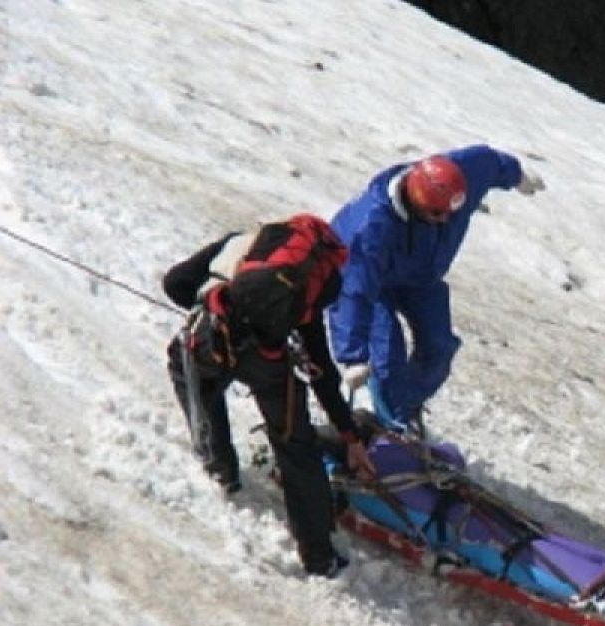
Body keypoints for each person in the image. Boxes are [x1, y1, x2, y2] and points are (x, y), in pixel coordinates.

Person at [163, 213, 375, 578]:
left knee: (187, 370)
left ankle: (221, 469)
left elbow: (175, 283)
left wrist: (208, 306)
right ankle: (320, 555)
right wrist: (349, 434)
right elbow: (320, 366)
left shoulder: (237, 244)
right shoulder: (315, 281)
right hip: (271, 361)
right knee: (296, 445)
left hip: (212, 341)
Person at [328, 144, 543, 431]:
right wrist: (352, 355)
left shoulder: (458, 178)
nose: (445, 221)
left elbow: (487, 162)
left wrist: (516, 175)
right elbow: (354, 291)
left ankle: (403, 409)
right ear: (414, 203)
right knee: (386, 357)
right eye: (436, 215)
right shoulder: (371, 230)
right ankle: (389, 421)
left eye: (450, 213)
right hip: (373, 283)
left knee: (439, 348)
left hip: (421, 275)